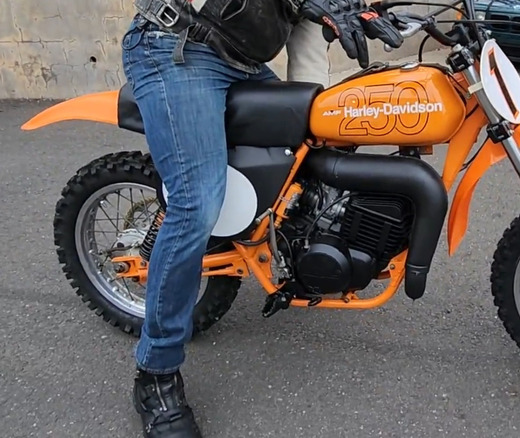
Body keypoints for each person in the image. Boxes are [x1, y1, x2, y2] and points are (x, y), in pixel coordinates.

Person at [121, 1, 402, 437]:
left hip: (241, 62)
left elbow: (306, 34)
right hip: (174, 47)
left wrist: (318, 132)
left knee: (307, 159)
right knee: (197, 204)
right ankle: (156, 372)